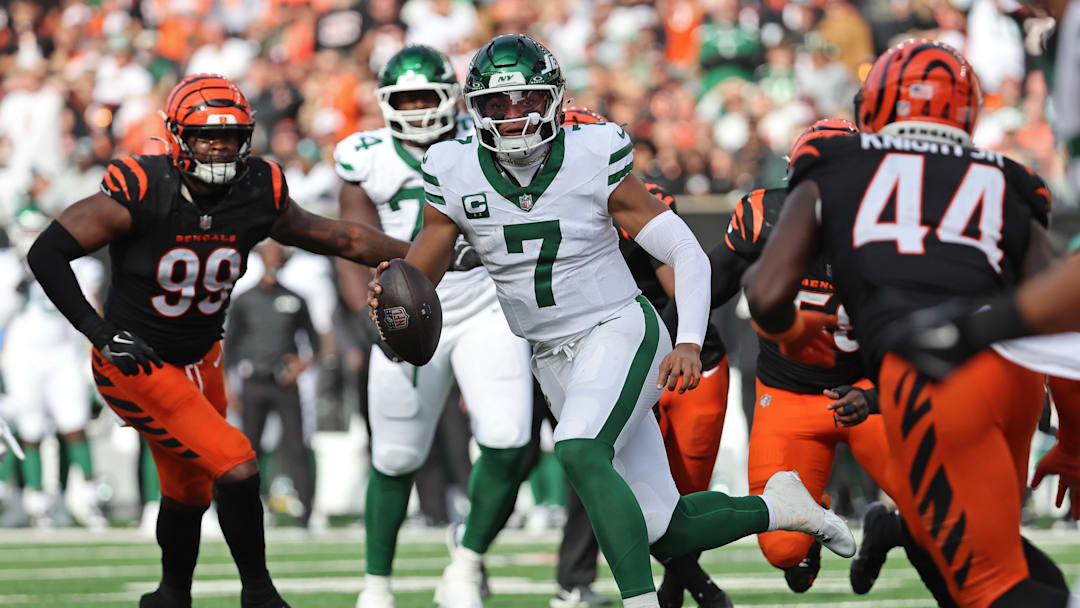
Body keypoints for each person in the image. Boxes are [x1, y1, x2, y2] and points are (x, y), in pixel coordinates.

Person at [368, 34, 854, 608]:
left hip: (618, 327)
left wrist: (690, 340)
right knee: (663, 527)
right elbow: (429, 259)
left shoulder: (591, 152)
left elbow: (685, 253)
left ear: (552, 100)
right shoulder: (453, 167)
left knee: (577, 448)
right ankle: (784, 507)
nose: (513, 117)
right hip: (550, 353)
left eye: (525, 100)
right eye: (497, 106)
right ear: (475, 111)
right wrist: (395, 294)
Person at [26, 73, 412, 608]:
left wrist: (419, 255)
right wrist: (98, 331)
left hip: (203, 355)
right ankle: (259, 592)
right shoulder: (143, 189)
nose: (220, 147)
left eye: (231, 137)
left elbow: (338, 236)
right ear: (178, 136)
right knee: (237, 461)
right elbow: (46, 253)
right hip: (135, 361)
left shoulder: (257, 189)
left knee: (189, 490)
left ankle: (170, 596)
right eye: (207, 135)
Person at [744, 39, 1070, 607]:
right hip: (1014, 371)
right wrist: (1075, 437)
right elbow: (1061, 310)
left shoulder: (838, 164)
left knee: (987, 584)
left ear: (873, 106)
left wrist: (789, 330)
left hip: (933, 368)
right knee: (992, 551)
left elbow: (766, 291)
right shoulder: (1007, 176)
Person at [333, 45, 533, 608]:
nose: (420, 109)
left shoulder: (484, 140)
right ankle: (377, 584)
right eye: (408, 99)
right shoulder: (364, 155)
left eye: (429, 96)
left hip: (484, 304)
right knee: (395, 457)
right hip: (401, 314)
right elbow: (351, 246)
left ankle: (466, 563)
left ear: (454, 97)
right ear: (386, 103)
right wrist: (372, 320)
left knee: (508, 438)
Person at [709, 119, 894, 596]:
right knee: (782, 549)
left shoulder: (894, 233)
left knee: (940, 518)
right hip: (788, 396)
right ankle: (813, 519)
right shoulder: (762, 217)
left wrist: (875, 394)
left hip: (868, 395)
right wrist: (683, 337)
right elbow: (706, 287)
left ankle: (887, 529)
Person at [562, 105, 733, 608]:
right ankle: (681, 589)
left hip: (674, 359)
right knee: (600, 467)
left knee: (675, 499)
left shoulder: (634, 199)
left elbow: (679, 281)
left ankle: (683, 587)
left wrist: (687, 344)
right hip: (608, 354)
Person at [0, 205, 107, 530]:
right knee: (30, 430)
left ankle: (88, 499)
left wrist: (93, 361)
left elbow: (93, 309)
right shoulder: (5, 267)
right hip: (21, 357)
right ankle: (36, 503)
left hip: (63, 355)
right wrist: (18, 285)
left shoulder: (79, 265)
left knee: (74, 425)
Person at [225, 241, 318, 529]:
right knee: (250, 449)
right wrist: (229, 388)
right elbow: (230, 347)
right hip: (254, 382)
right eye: (270, 256)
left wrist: (301, 365)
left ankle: (306, 515)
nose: (274, 262)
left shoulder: (295, 298)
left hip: (284, 383)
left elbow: (314, 342)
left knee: (296, 446)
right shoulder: (245, 299)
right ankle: (250, 508)